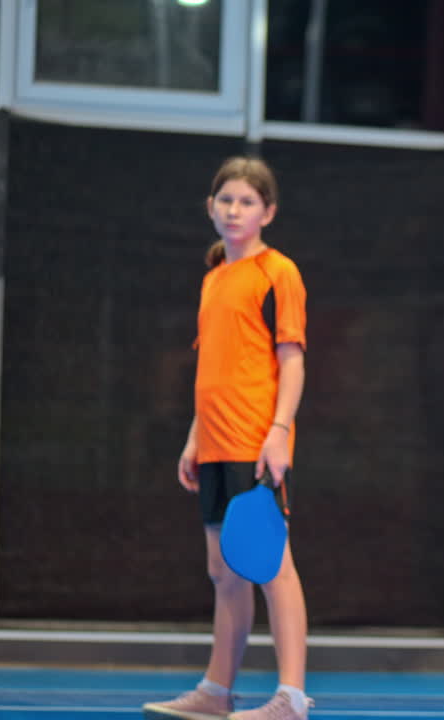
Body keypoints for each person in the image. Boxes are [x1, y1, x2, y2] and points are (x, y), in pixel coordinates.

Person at [144, 156, 313, 720]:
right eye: (226, 200)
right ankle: (217, 692)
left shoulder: (278, 272)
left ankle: (291, 697)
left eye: (247, 201)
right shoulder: (215, 277)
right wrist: (195, 438)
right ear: (211, 209)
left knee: (271, 566)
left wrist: (279, 433)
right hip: (215, 445)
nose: (235, 210)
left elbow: (291, 361)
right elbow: (214, 366)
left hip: (254, 444)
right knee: (223, 572)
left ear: (268, 212)